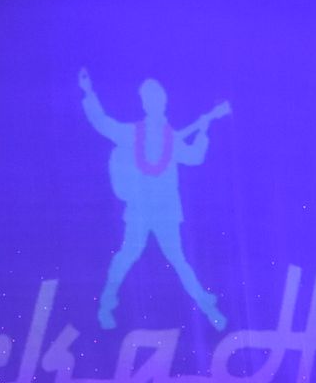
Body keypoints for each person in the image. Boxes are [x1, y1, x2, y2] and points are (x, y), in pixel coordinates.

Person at [78, 67, 227, 332]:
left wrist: (204, 131)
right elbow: (102, 123)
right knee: (127, 256)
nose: (156, 103)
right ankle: (106, 305)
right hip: (140, 210)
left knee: (179, 260)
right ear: (144, 103)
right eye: (151, 99)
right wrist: (88, 92)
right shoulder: (133, 133)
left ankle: (208, 308)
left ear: (164, 102)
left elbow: (195, 158)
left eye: (159, 99)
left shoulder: (171, 138)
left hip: (166, 211)